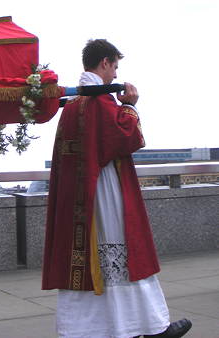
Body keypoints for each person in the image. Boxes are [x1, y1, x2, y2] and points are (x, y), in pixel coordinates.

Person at [42, 39, 192, 338]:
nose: (115, 75)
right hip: (104, 192)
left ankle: (88, 329)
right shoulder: (98, 99)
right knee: (124, 255)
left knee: (93, 264)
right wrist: (130, 107)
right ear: (105, 62)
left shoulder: (72, 104)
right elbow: (125, 138)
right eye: (115, 67)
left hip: (81, 196)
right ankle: (145, 327)